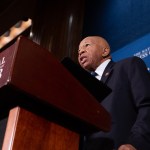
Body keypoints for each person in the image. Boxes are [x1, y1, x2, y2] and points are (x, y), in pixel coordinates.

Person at [78, 36, 150, 150]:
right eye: (78, 50)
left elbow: (147, 105)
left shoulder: (129, 65)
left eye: (87, 45)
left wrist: (135, 143)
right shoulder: (83, 88)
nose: (81, 51)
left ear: (105, 51)